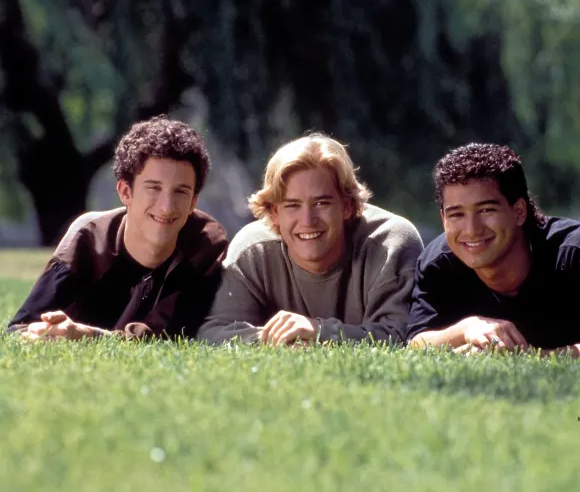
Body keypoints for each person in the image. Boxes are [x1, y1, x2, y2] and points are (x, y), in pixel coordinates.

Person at [8, 116, 227, 340]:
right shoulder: (89, 239)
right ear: (125, 192)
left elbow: (171, 335)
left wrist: (87, 335)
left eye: (180, 192)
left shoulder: (205, 245)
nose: (166, 207)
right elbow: (20, 328)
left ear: (193, 201)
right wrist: (42, 332)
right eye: (153, 188)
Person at [198, 134, 423, 346]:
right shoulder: (253, 249)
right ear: (274, 213)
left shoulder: (390, 242)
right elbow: (215, 332)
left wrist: (319, 332)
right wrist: (282, 339)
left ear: (347, 206)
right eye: (292, 205)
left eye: (321, 203)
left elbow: (401, 336)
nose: (307, 220)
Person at [406, 142, 580, 353]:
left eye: (486, 210)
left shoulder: (572, 253)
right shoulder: (439, 263)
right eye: (456, 214)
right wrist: (466, 329)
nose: (471, 230)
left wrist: (536, 356)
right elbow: (416, 343)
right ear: (443, 218)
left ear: (519, 212)